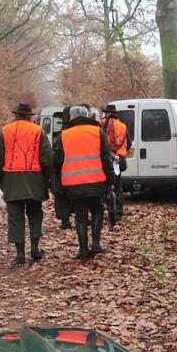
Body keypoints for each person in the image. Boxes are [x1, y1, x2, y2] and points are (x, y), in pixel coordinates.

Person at [0, 102, 53, 265]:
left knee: (15, 216)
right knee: (35, 213)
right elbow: (47, 159)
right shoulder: (37, 130)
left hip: (12, 179)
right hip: (34, 179)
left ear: (16, 115)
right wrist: (45, 179)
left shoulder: (4, 131)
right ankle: (34, 248)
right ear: (29, 116)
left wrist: (2, 178)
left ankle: (20, 253)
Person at [54, 106, 114, 259]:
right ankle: (96, 243)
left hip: (73, 184)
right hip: (96, 182)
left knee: (80, 216)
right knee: (97, 211)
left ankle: (82, 249)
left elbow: (58, 161)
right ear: (86, 116)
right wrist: (111, 179)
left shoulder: (64, 135)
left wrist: (58, 184)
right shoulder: (97, 132)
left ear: (73, 118)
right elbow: (106, 158)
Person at [102, 104, 130, 219]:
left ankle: (104, 206)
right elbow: (129, 143)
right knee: (118, 185)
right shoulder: (123, 126)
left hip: (105, 159)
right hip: (119, 160)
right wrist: (121, 153)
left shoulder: (101, 124)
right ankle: (118, 210)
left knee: (103, 184)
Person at [51, 105, 73, 230]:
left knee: (62, 197)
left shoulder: (61, 135)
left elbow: (56, 158)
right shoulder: (74, 132)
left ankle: (65, 221)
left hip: (62, 173)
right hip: (77, 172)